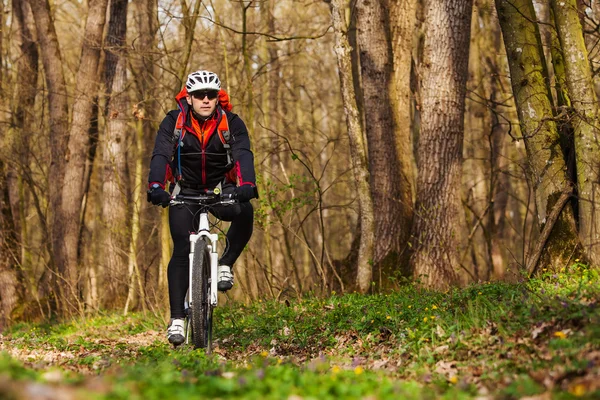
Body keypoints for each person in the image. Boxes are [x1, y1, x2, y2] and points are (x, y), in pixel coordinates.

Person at [147, 70, 257, 346]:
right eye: (199, 95)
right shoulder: (174, 122)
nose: (206, 100)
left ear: (218, 97)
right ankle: (176, 319)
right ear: (189, 96)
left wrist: (247, 184)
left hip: (221, 189)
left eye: (211, 95)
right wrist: (156, 186)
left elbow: (243, 154)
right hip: (186, 191)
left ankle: (224, 265)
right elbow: (161, 154)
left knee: (245, 211)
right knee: (183, 248)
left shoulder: (231, 123)